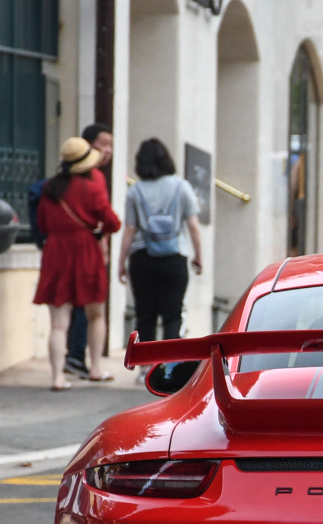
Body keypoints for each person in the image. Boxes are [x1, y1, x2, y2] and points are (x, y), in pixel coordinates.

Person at [34, 136, 121, 391]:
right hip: (86, 251)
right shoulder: (93, 188)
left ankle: (57, 377)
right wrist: (96, 229)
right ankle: (94, 367)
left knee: (58, 323)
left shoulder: (50, 189)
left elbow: (42, 224)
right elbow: (113, 223)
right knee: (96, 314)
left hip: (56, 252)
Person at [117, 138, 204, 346]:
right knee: (172, 315)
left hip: (142, 257)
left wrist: (121, 262)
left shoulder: (135, 191)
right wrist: (198, 255)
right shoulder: (181, 187)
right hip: (174, 257)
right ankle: (168, 367)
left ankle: (144, 368)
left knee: (145, 314)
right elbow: (193, 225)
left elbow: (129, 228)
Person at [64, 123, 115, 380]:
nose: (108, 150)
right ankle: (81, 358)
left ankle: (73, 356)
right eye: (103, 143)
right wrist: (103, 245)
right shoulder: (94, 178)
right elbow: (106, 218)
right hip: (87, 251)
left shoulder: (64, 177)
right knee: (91, 305)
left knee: (66, 305)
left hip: (63, 249)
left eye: (111, 145)